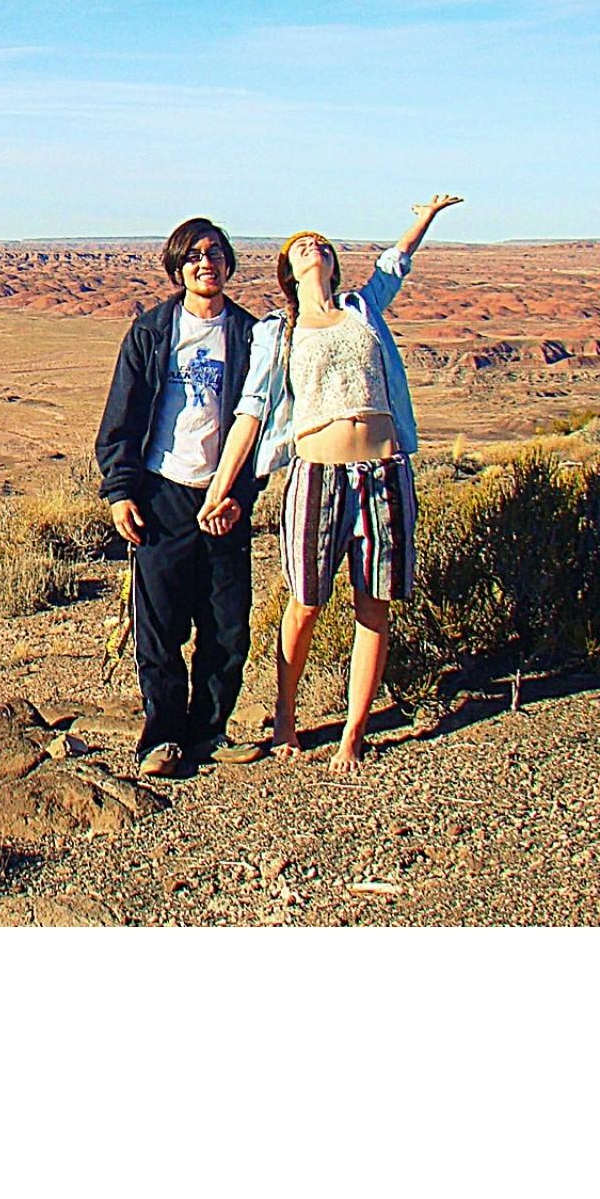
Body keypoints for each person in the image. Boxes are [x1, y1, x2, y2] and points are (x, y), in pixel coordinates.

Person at [199, 195, 462, 772]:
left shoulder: (363, 309)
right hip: (318, 475)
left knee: (376, 602)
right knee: (306, 602)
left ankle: (354, 732)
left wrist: (425, 216)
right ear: (288, 272)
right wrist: (222, 485)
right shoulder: (281, 331)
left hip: (386, 471)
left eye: (321, 245)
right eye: (300, 247)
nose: (313, 249)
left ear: (334, 264)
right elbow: (251, 409)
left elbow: (396, 263)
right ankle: (286, 717)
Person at [95, 217, 270, 779]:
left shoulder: (248, 335)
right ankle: (161, 737)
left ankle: (210, 732)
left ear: (229, 263)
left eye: (215, 253)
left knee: (226, 623)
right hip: (163, 492)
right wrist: (122, 491)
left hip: (223, 498)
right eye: (193, 255)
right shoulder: (151, 332)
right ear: (177, 267)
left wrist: (240, 494)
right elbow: (120, 418)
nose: (205, 263)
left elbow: (265, 425)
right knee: (161, 625)